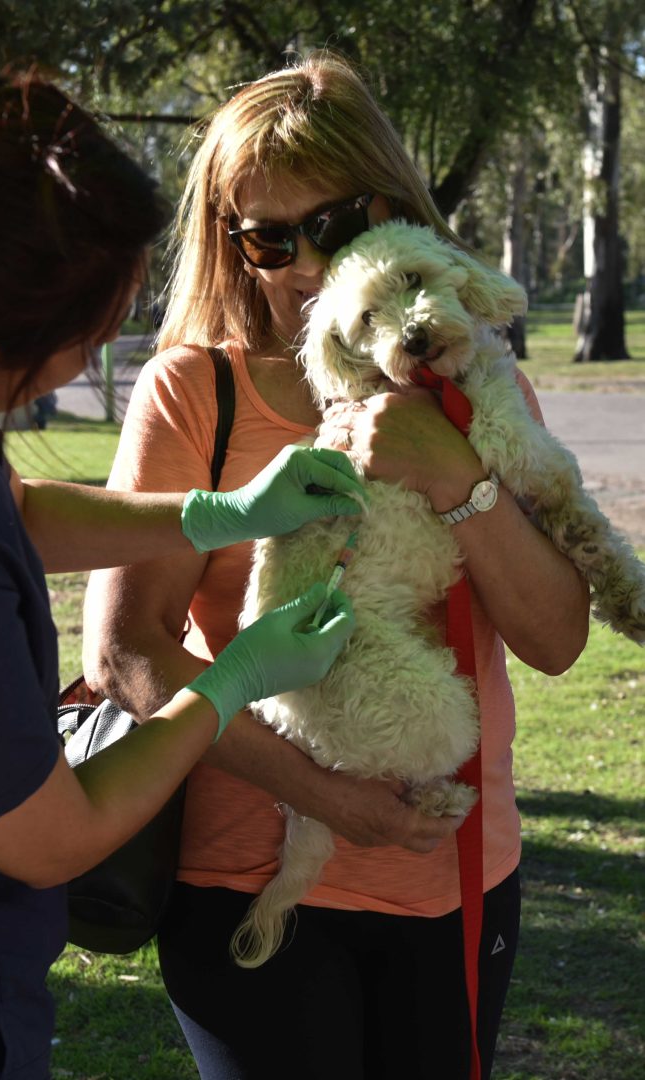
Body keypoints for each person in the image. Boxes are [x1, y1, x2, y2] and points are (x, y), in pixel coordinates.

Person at [0, 75, 366, 1080]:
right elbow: (52, 837)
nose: (100, 350)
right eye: (91, 338)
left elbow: (18, 514)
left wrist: (225, 513)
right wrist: (229, 682)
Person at [82, 52, 590, 1079]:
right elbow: (127, 654)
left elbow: (555, 640)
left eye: (336, 224)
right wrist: (333, 802)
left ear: (392, 208)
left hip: (456, 873)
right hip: (246, 880)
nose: (307, 266)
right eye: (269, 237)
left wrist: (456, 476)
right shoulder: (196, 392)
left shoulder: (478, 391)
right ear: (230, 245)